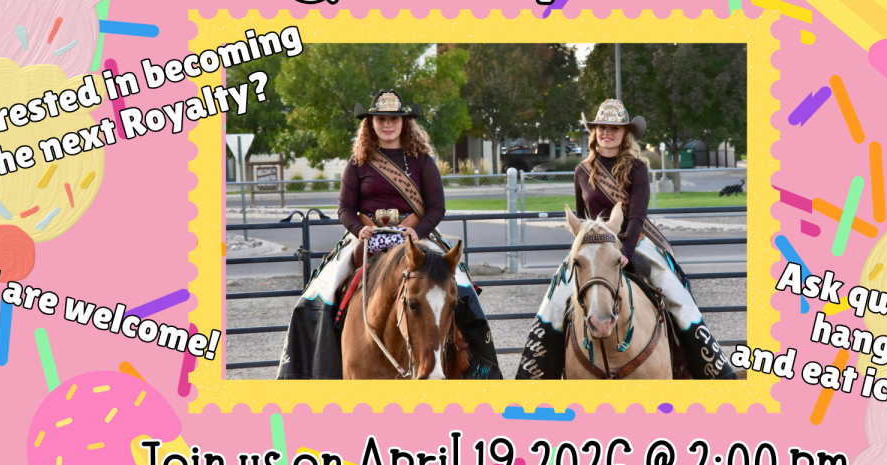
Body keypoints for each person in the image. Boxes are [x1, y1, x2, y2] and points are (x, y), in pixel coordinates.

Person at [277, 90, 503, 380]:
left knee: (460, 285)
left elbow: (436, 208)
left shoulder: (422, 161)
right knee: (320, 291)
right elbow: (345, 208)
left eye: (394, 119)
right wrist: (360, 230)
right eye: (381, 119)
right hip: (366, 238)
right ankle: (318, 368)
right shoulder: (358, 163)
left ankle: (480, 370)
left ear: (405, 123)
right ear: (370, 123)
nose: (387, 124)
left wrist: (416, 231)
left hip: (417, 237)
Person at [515, 99, 738, 380]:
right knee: (553, 302)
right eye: (601, 127)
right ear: (593, 132)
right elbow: (583, 221)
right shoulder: (582, 171)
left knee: (677, 296)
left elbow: (636, 218)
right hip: (594, 246)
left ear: (625, 134)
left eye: (614, 128)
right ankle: (534, 380)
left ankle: (713, 373)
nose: (606, 132)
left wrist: (626, 251)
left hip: (635, 239)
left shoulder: (637, 168)